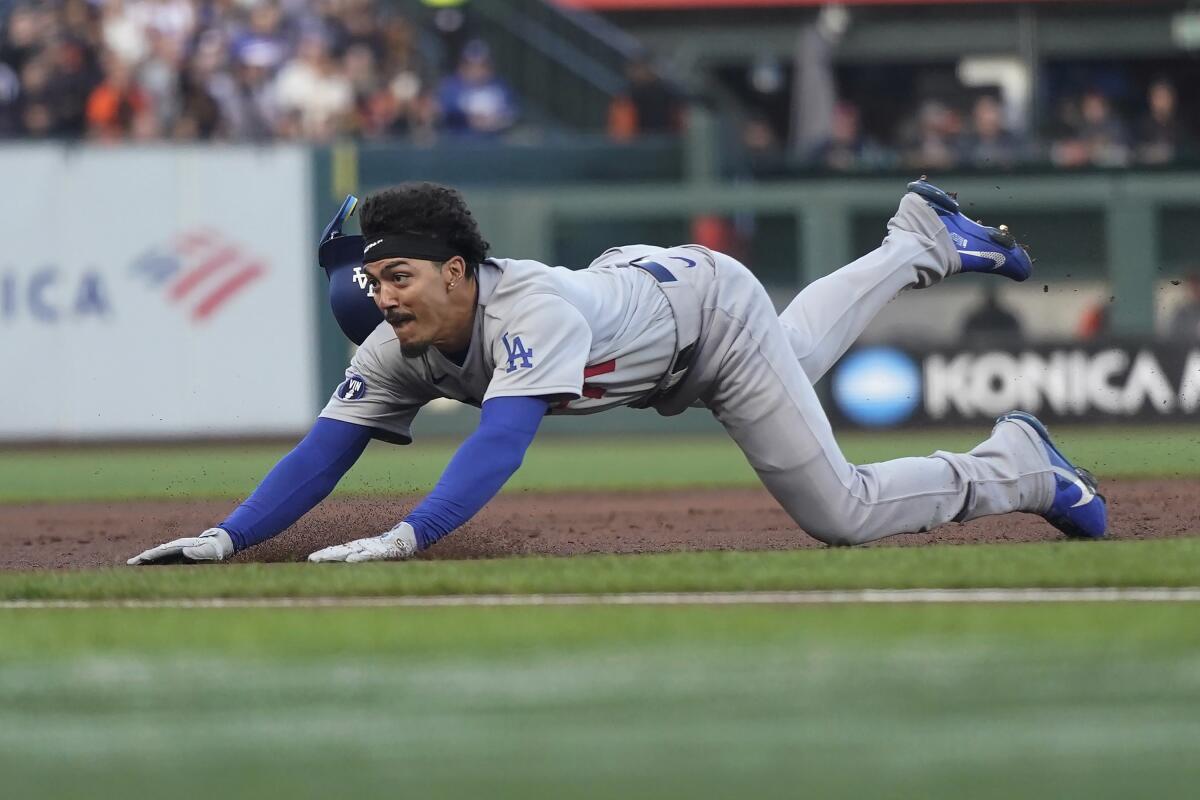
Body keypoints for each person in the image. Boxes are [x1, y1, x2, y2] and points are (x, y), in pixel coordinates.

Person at [127, 179, 1107, 565]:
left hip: (707, 319)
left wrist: (409, 534)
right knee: (798, 355)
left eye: (397, 272)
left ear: (457, 268)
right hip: (653, 307)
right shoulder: (398, 340)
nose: (379, 294)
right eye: (371, 278)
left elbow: (502, 439)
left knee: (840, 510)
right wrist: (225, 535)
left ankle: (1019, 462)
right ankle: (919, 239)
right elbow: (324, 449)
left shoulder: (527, 311)